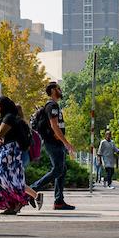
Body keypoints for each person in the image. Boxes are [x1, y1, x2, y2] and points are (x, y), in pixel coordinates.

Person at [29, 81, 76, 211]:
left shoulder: (54, 106)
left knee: (62, 170)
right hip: (53, 143)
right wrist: (67, 143)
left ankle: (59, 201)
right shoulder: (52, 106)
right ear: (53, 90)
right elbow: (54, 126)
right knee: (57, 170)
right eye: (58, 88)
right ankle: (32, 189)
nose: (60, 90)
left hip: (56, 142)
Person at [0, 96, 30, 214]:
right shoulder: (7, 117)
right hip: (7, 149)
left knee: (3, 175)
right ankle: (12, 204)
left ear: (3, 105)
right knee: (9, 177)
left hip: (11, 151)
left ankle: (17, 201)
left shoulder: (9, 118)